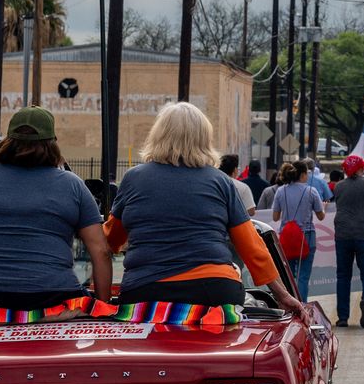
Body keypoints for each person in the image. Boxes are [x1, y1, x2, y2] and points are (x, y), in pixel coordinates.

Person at [104, 102, 300, 311]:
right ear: (204, 138)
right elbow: (251, 246)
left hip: (145, 291)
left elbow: (110, 240)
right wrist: (283, 295)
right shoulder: (220, 181)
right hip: (214, 290)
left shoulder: (134, 179)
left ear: (158, 135)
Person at [0, 106, 112, 326]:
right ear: (52, 143)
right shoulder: (72, 185)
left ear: (8, 140)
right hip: (51, 300)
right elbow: (100, 251)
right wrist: (103, 306)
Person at [329, 156, 364, 329]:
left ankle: (343, 318)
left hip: (343, 235)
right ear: (363, 168)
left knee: (343, 276)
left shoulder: (339, 187)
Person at [266, 162, 325, 301]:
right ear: (303, 174)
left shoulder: (281, 191)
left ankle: (291, 306)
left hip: (286, 236)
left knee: (289, 275)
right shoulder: (311, 191)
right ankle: (302, 305)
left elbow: (275, 217)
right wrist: (324, 207)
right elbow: (321, 216)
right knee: (303, 276)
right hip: (306, 235)